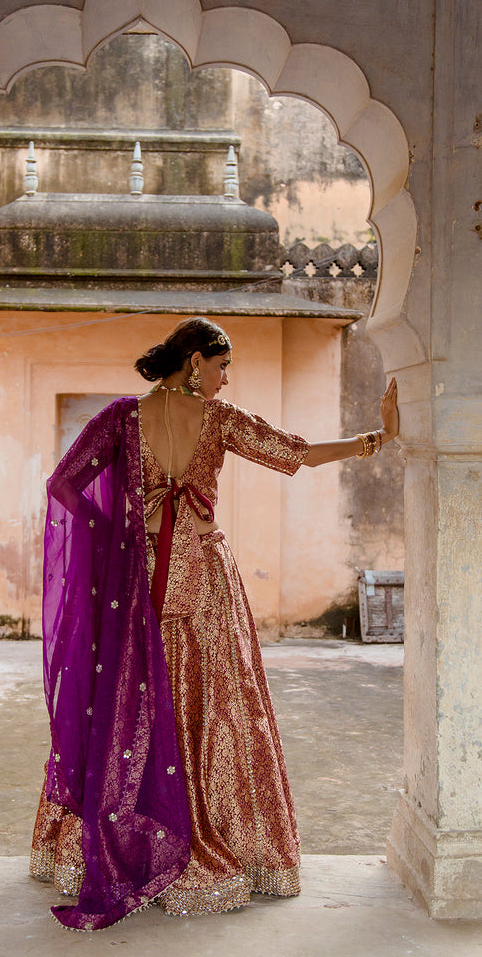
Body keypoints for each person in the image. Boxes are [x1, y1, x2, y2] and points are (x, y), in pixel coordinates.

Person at [30, 317, 399, 931]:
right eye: (223, 366)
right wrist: (374, 439)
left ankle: (112, 839)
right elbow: (300, 455)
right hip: (201, 576)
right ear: (196, 360)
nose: (227, 379)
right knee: (214, 701)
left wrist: (114, 533)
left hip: (136, 579)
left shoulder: (122, 417)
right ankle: (210, 837)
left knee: (127, 697)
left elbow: (64, 485)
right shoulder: (221, 421)